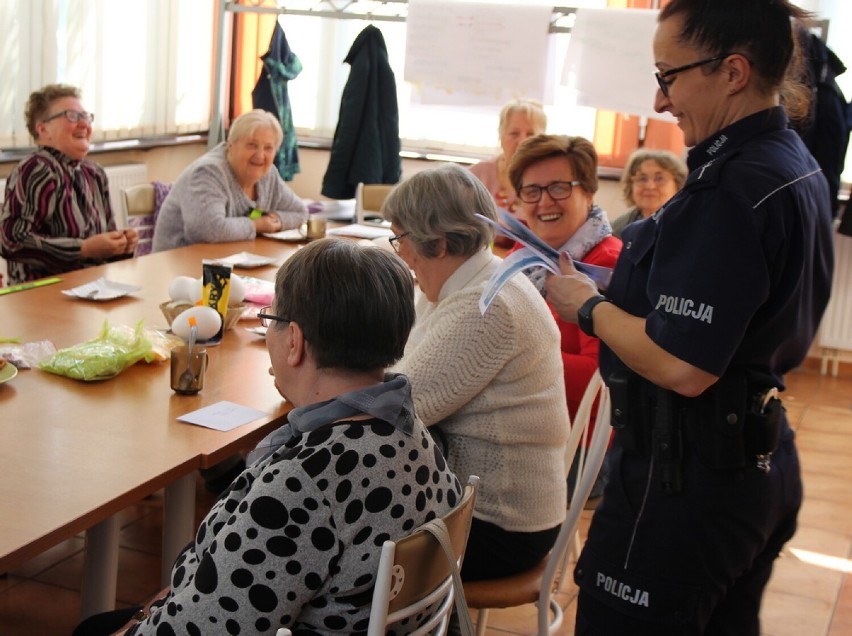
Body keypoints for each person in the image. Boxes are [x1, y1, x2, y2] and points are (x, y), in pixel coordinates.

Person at [544, 1, 834, 634]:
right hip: (757, 464)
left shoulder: (730, 189)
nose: (660, 100)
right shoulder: (793, 161)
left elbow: (683, 364)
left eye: (669, 75)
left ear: (733, 71)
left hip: (686, 479)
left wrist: (586, 308)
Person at [73, 238, 463, 635]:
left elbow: (205, 627)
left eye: (270, 321)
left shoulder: (304, 482)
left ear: (294, 341)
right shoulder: (408, 425)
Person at [383, 163, 569, 581]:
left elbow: (396, 409)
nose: (402, 254)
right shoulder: (465, 281)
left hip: (498, 524)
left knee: (341, 543)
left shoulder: (486, 306)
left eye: (402, 239)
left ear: (441, 243)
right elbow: (399, 360)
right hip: (470, 505)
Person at [509, 134, 622, 421]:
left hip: (569, 443)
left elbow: (599, 383)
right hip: (519, 415)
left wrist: (507, 355)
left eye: (559, 188)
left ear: (589, 192)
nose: (545, 202)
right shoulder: (526, 249)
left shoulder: (607, 264)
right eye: (532, 191)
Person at [0, 84, 138, 285]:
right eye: (72, 116)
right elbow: (11, 241)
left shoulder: (95, 173)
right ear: (43, 129)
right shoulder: (37, 167)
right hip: (42, 294)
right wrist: (84, 248)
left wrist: (122, 244)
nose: (84, 124)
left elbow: (106, 251)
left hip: (92, 288)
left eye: (86, 117)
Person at [152, 109, 307, 252]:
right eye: (251, 145)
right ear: (231, 144)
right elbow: (208, 230)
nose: (260, 156)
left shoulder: (268, 174)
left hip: (227, 259)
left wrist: (276, 221)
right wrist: (257, 225)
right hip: (178, 265)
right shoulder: (208, 172)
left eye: (268, 148)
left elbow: (300, 212)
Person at [469, 99, 547, 219]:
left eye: (530, 134)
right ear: (501, 135)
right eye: (514, 133)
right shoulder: (476, 176)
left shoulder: (549, 179)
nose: (521, 141)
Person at [610, 148, 687, 239]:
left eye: (659, 178)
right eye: (642, 179)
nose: (650, 186)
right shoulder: (617, 229)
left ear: (678, 185)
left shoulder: (688, 226)